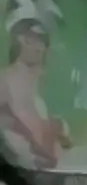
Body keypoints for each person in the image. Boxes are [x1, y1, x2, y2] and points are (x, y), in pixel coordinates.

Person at [0, 12, 70, 171]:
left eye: (41, 41)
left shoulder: (40, 85)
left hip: (43, 173)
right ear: (18, 41)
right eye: (30, 40)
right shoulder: (6, 79)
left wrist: (57, 130)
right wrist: (31, 143)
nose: (38, 47)